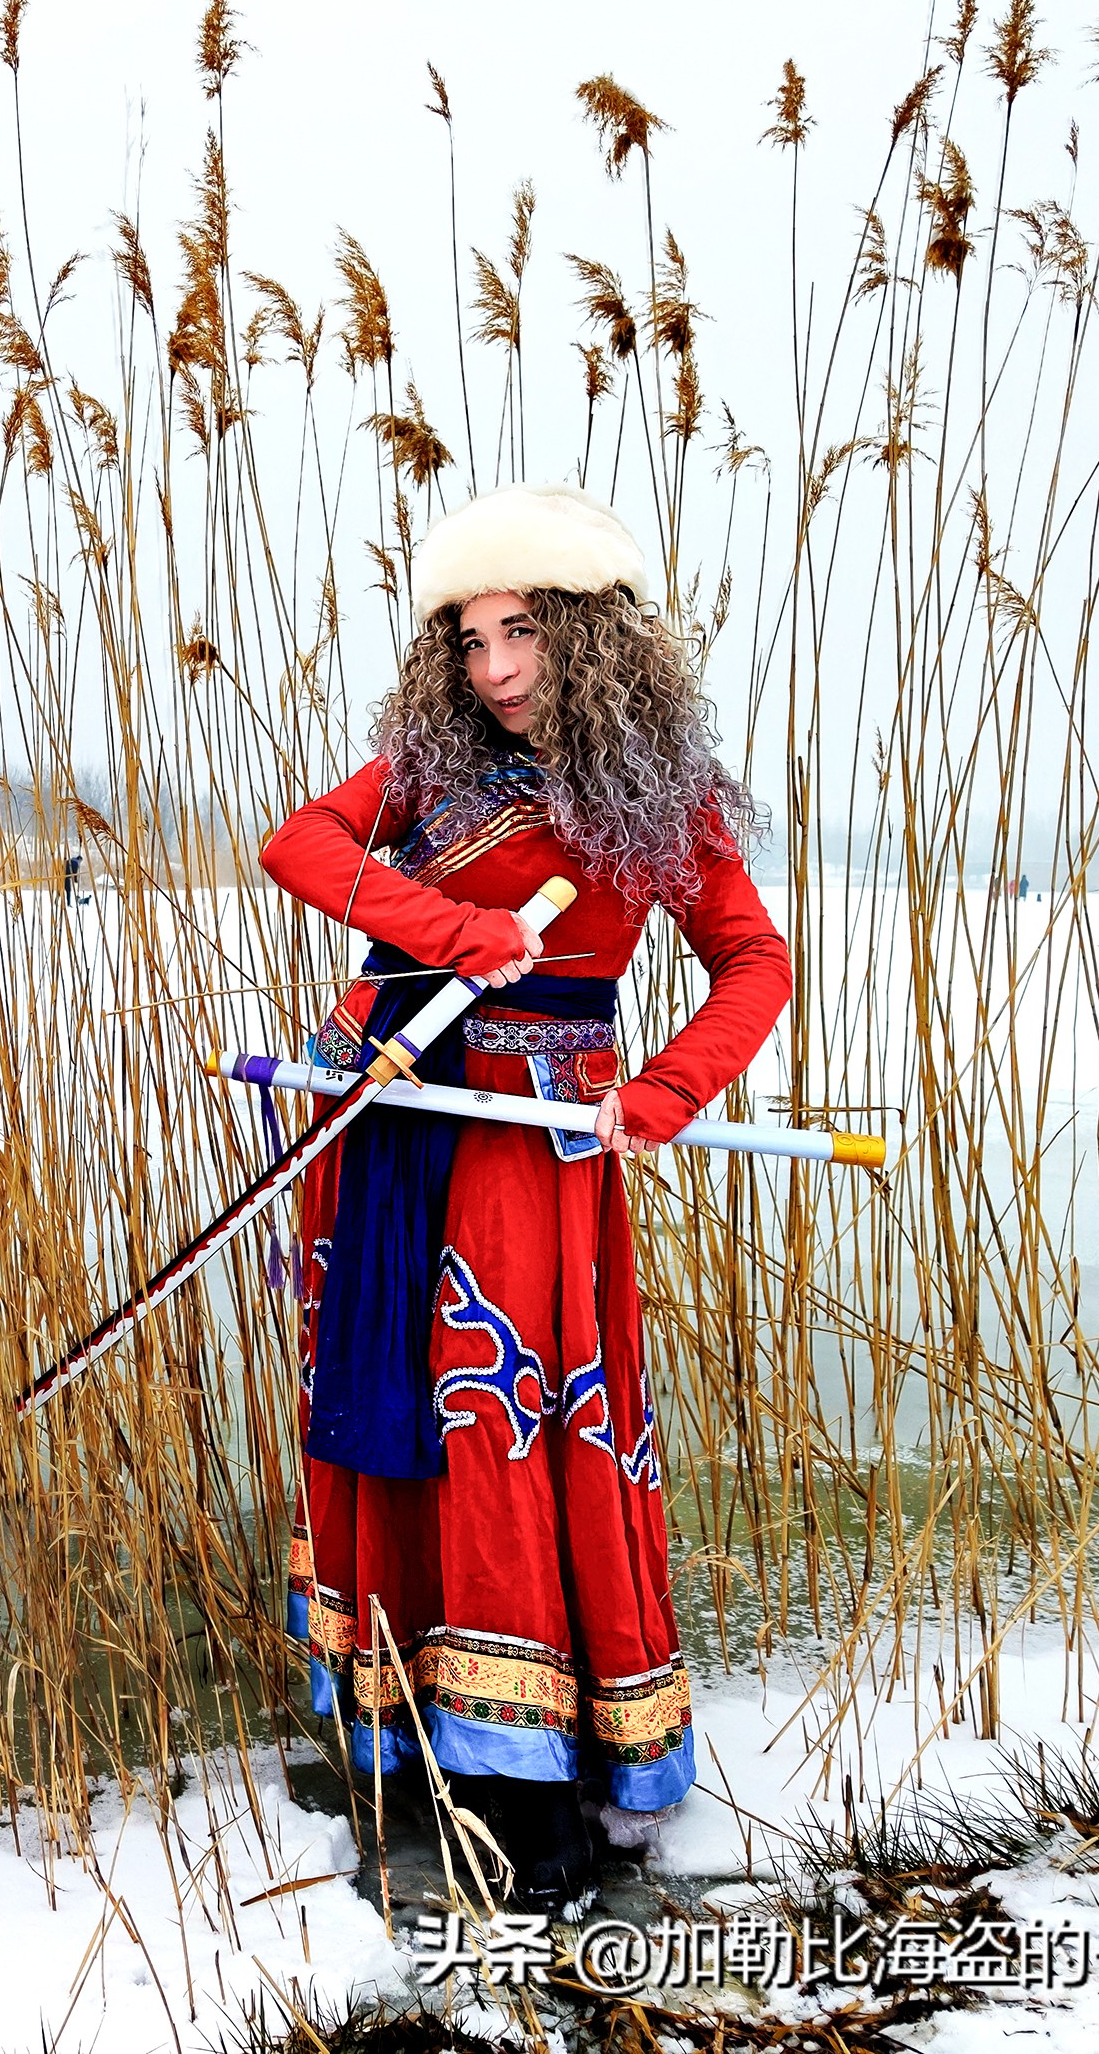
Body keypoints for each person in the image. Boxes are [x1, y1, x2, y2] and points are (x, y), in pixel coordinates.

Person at [258, 482, 789, 1912]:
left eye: (522, 632)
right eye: (467, 636)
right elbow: (299, 845)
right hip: (390, 1121)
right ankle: (409, 1724)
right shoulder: (425, 774)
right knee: (399, 1425)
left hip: (534, 1149)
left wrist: (666, 1092)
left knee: (507, 1436)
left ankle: (529, 1780)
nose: (493, 667)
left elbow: (757, 962)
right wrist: (455, 929)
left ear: (592, 635)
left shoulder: (658, 800)